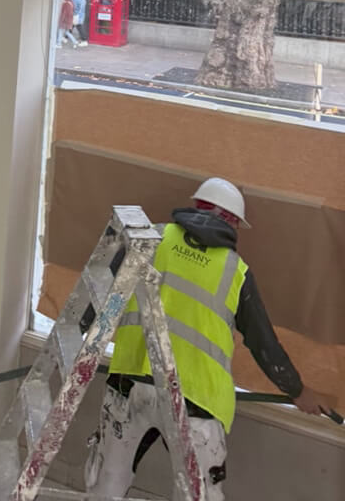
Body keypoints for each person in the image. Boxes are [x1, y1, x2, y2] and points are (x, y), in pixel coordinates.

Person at [85, 177, 326, 500]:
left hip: (130, 384)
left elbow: (100, 291)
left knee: (106, 484)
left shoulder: (152, 237)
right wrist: (297, 390)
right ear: (233, 223)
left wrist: (78, 336)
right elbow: (264, 345)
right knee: (198, 495)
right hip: (196, 400)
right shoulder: (235, 272)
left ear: (196, 206)